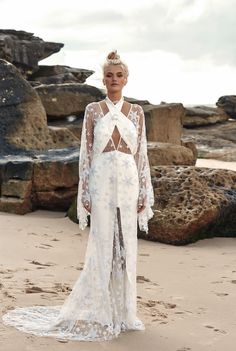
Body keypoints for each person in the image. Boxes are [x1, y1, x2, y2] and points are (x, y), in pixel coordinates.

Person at [2, 51, 154, 341]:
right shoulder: (93, 110)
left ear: (126, 79)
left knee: (126, 245)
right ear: (103, 78)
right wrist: (84, 191)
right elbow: (86, 154)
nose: (114, 80)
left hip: (128, 180)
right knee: (102, 245)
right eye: (109, 75)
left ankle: (124, 312)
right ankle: (103, 310)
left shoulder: (136, 112)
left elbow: (141, 155)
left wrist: (145, 190)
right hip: (101, 179)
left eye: (119, 75)